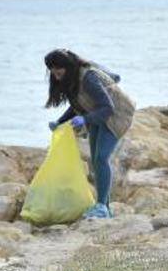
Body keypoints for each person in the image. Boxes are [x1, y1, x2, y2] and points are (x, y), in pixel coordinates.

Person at [45, 49, 135, 219]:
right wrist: (60, 122)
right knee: (95, 160)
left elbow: (108, 107)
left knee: (101, 158)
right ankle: (104, 207)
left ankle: (101, 206)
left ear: (68, 67)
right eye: (52, 70)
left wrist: (84, 119)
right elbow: (77, 104)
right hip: (95, 114)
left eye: (58, 70)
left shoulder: (88, 78)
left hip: (116, 115)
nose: (55, 74)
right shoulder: (69, 79)